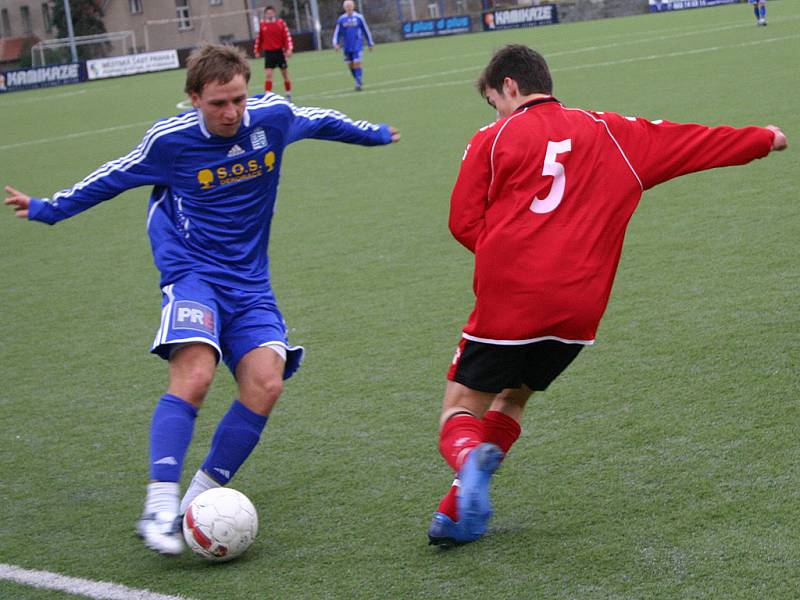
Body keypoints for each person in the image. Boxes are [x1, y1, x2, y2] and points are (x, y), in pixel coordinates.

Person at [5, 43, 400, 556]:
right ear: (194, 99)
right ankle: (159, 504)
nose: (231, 112)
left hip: (250, 281)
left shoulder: (272, 118)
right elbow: (111, 178)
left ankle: (197, 501)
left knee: (266, 384)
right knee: (195, 376)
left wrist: (371, 135)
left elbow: (321, 120)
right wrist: (46, 208)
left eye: (237, 99)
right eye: (218, 103)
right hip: (192, 274)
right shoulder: (169, 143)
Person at [428, 44, 788, 547]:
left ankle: (468, 456)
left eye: (494, 101)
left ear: (509, 87)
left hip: (511, 301)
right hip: (578, 311)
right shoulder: (613, 131)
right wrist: (762, 138)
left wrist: (510, 256)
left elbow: (463, 223)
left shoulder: (492, 138)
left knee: (459, 408)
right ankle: (456, 516)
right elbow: (690, 142)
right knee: (513, 398)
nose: (496, 112)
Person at [253, 5, 294, 99]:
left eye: (271, 12)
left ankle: (288, 93)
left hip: (279, 52)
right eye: (268, 13)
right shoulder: (262, 25)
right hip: (269, 53)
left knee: (285, 74)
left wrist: (289, 49)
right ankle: (267, 95)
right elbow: (259, 39)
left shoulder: (280, 23)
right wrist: (257, 50)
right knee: (268, 75)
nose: (269, 14)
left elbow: (287, 37)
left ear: (274, 13)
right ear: (265, 15)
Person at [332, 0, 374, 91]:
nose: (348, 8)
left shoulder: (359, 17)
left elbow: (365, 30)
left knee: (356, 63)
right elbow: (337, 33)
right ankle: (357, 79)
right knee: (350, 65)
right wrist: (336, 44)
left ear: (353, 6)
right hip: (347, 46)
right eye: (347, 6)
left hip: (357, 45)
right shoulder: (341, 19)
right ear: (344, 8)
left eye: (350, 6)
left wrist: (370, 43)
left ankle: (358, 82)